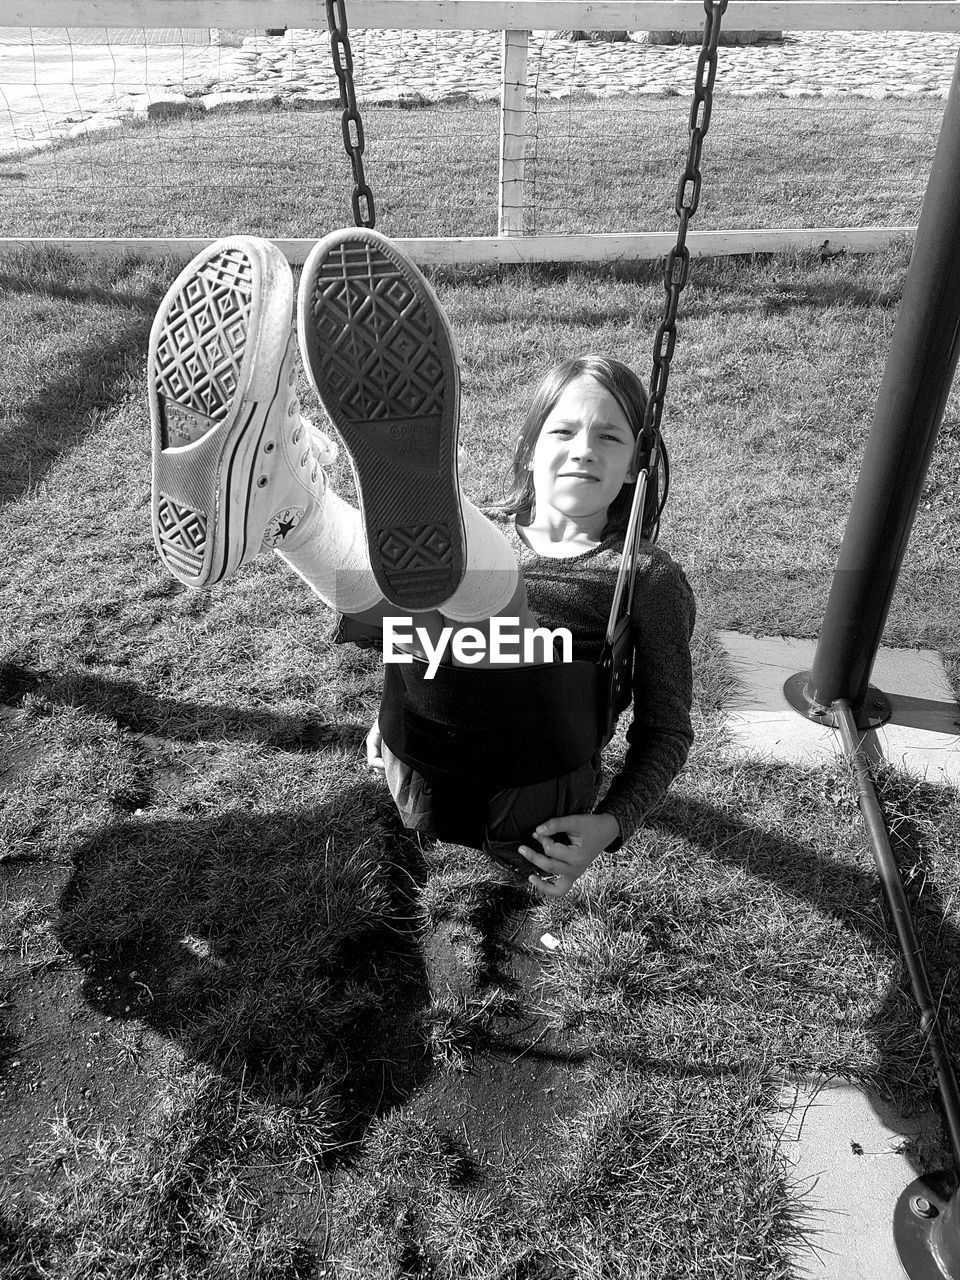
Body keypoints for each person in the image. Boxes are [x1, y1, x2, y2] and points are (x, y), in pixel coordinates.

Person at [148, 229, 694, 898]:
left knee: (466, 587)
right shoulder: (482, 539)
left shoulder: (643, 576)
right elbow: (406, 643)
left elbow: (667, 729)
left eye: (609, 437)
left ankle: (308, 506)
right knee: (422, 585)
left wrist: (611, 823)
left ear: (634, 465)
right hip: (421, 772)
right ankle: (287, 509)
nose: (584, 449)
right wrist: (391, 708)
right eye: (563, 431)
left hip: (533, 806)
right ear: (528, 452)